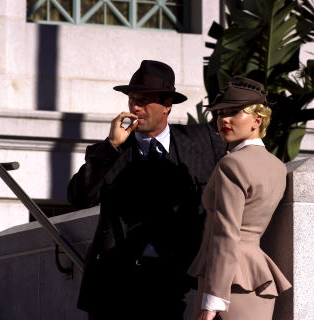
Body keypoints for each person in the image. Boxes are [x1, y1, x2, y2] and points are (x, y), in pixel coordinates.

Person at [68, 60, 227, 319]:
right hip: (116, 290)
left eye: (145, 100)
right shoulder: (108, 152)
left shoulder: (204, 142)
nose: (135, 107)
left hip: (181, 284)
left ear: (167, 105)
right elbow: (78, 198)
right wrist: (110, 146)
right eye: (132, 99)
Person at [188, 77, 292, 320]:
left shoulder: (231, 164)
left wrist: (212, 302)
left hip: (228, 284)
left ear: (257, 120)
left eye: (234, 112)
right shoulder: (277, 166)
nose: (224, 119)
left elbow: (226, 235)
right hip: (258, 281)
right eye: (220, 113)